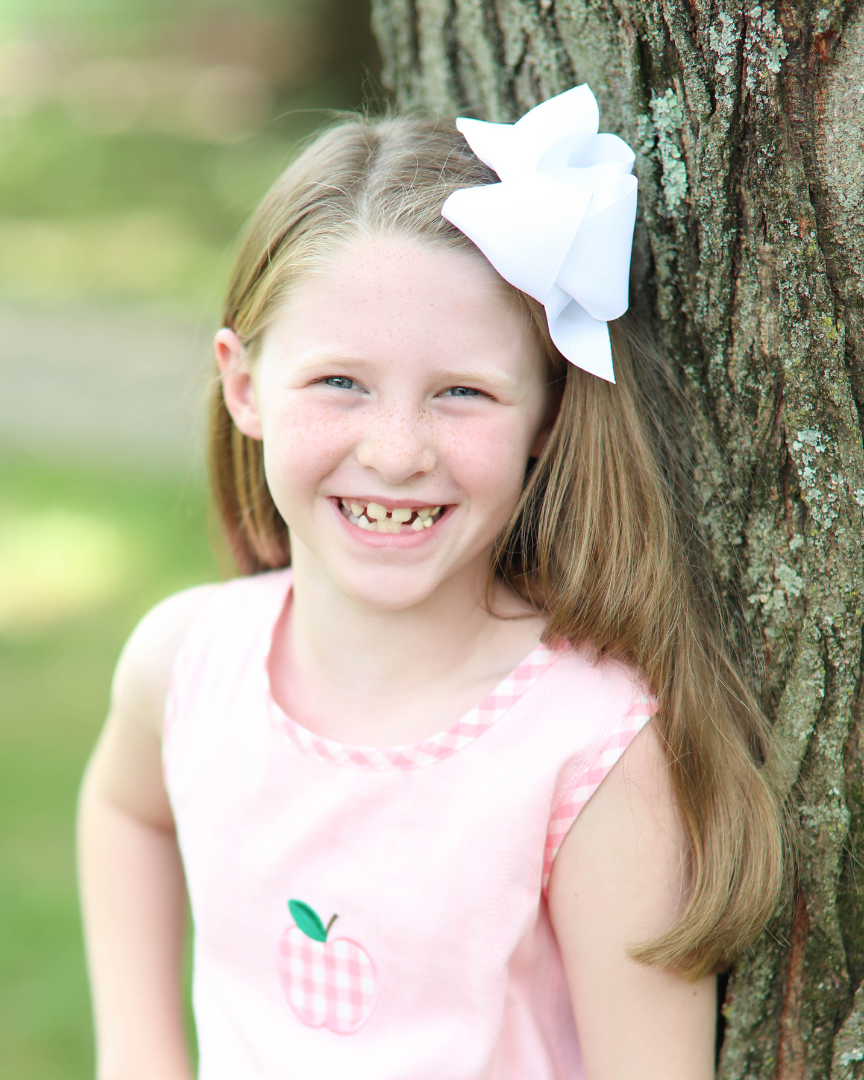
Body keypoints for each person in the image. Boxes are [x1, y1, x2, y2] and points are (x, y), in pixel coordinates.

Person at [77, 86, 790, 1080]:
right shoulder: (187, 662)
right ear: (245, 388)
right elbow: (128, 813)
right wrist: (140, 1057)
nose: (399, 451)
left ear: (546, 418)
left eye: (462, 393)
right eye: (340, 383)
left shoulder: (588, 748)